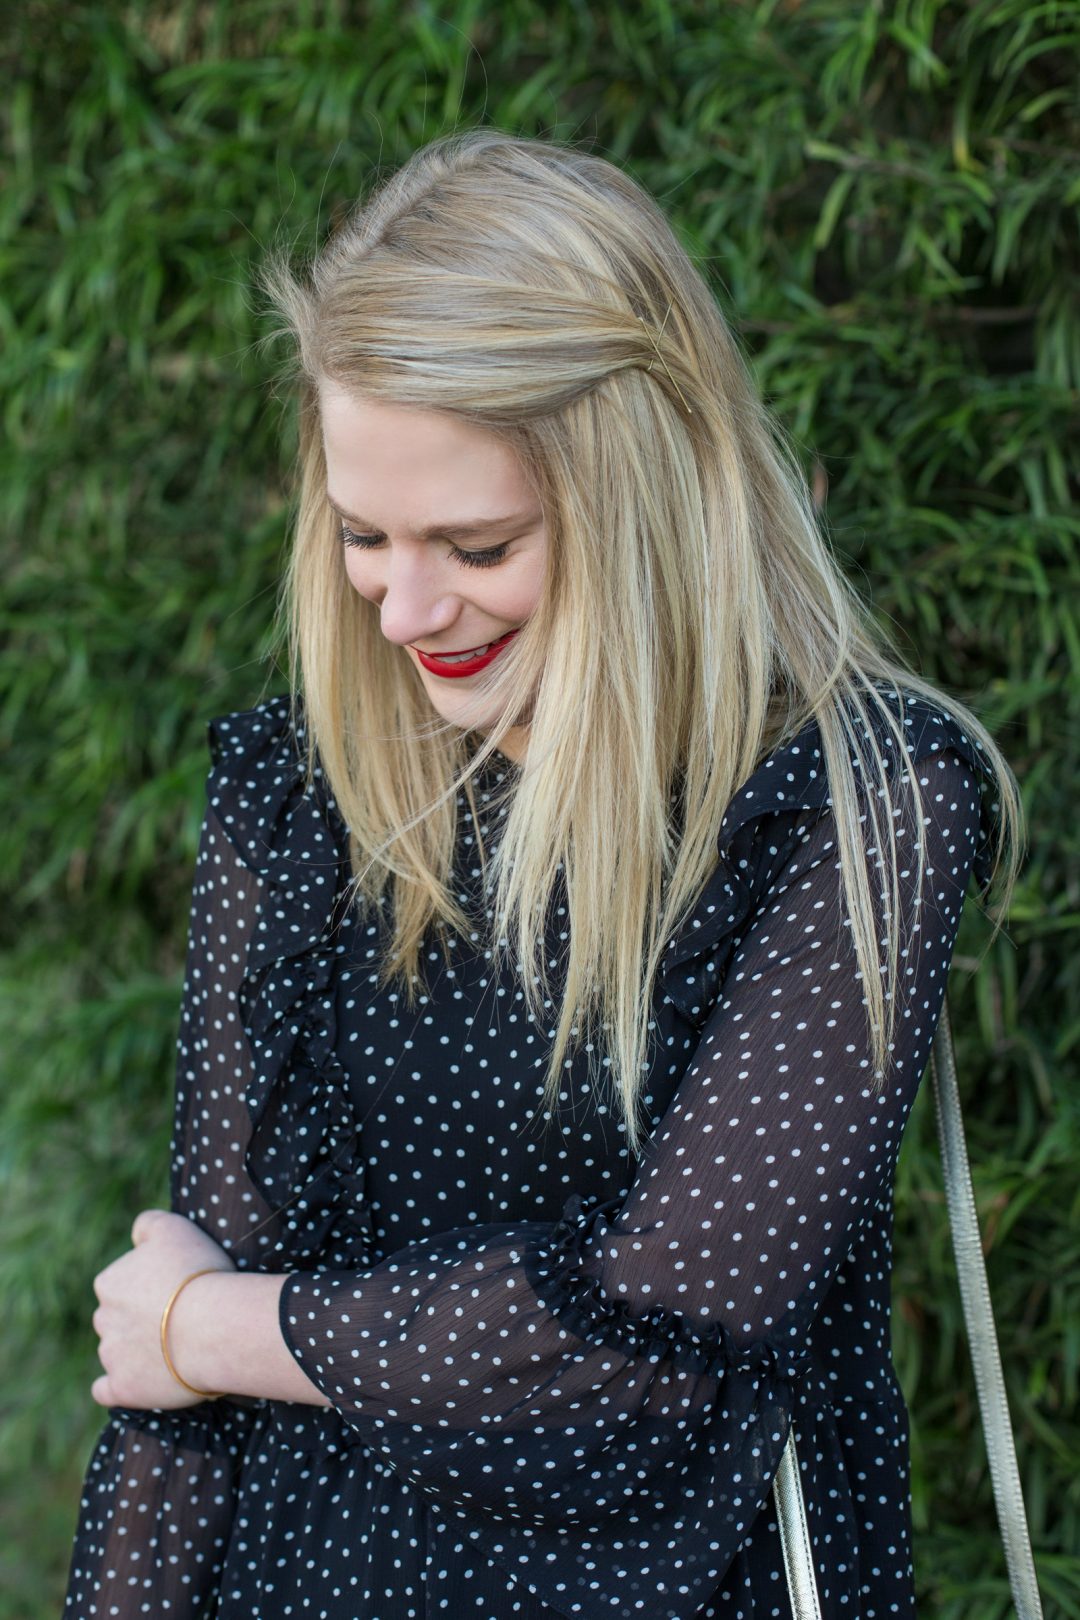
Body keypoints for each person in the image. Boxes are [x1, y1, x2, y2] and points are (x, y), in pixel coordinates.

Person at [65, 129, 1022, 1620]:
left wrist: (233, 1333)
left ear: (642, 494)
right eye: (363, 535)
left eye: (480, 542)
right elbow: (171, 1373)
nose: (407, 605)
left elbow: (658, 1351)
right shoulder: (294, 790)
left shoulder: (853, 803)